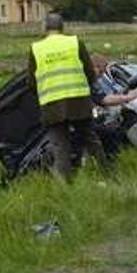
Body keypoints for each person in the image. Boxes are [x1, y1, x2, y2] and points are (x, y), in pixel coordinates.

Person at [27, 13, 109, 179]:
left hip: (52, 105)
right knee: (91, 140)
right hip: (78, 102)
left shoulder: (36, 48)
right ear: (62, 27)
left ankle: (65, 185)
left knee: (60, 147)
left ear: (45, 28)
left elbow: (31, 82)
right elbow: (89, 73)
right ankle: (107, 174)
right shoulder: (75, 43)